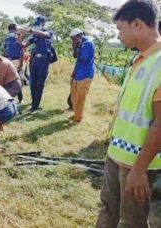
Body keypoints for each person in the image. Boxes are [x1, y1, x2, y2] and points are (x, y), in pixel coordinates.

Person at [96, 1, 161, 227]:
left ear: (137, 24)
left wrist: (139, 169)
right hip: (117, 154)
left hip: (137, 164)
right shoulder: (141, 58)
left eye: (120, 29)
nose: (118, 36)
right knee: (108, 209)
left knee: (132, 221)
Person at [19, 16, 54, 113]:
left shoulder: (49, 32)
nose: (38, 24)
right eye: (37, 23)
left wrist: (30, 30)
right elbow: (24, 45)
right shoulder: (34, 36)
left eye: (40, 23)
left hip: (44, 61)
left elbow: (44, 34)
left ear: (44, 23)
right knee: (33, 83)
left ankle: (35, 107)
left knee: (39, 84)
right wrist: (20, 36)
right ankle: (34, 103)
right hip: (34, 60)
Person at [69, 28, 95, 123]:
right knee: (74, 96)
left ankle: (78, 118)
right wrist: (75, 47)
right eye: (72, 39)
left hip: (85, 74)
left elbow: (83, 59)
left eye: (74, 39)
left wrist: (78, 47)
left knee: (80, 98)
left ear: (79, 36)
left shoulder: (88, 43)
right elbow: (75, 56)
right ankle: (76, 114)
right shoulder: (80, 43)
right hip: (78, 73)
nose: (73, 41)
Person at [4, 23, 25, 103]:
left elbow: (22, 52)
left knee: (17, 79)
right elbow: (6, 51)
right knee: (8, 80)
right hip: (8, 61)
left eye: (13, 30)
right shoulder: (7, 40)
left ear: (16, 30)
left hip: (17, 61)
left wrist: (21, 63)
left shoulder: (19, 40)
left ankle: (20, 98)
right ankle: (9, 97)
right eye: (10, 30)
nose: (11, 32)